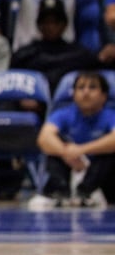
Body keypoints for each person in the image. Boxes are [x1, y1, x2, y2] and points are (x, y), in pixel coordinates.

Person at [33, 70, 115, 209]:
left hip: (100, 173)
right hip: (71, 165)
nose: (86, 92)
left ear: (104, 95)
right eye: (81, 87)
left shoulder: (110, 115)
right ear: (73, 94)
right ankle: (60, 191)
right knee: (53, 148)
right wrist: (67, 153)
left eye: (92, 87)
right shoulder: (63, 114)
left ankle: (86, 192)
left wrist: (81, 150)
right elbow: (44, 138)